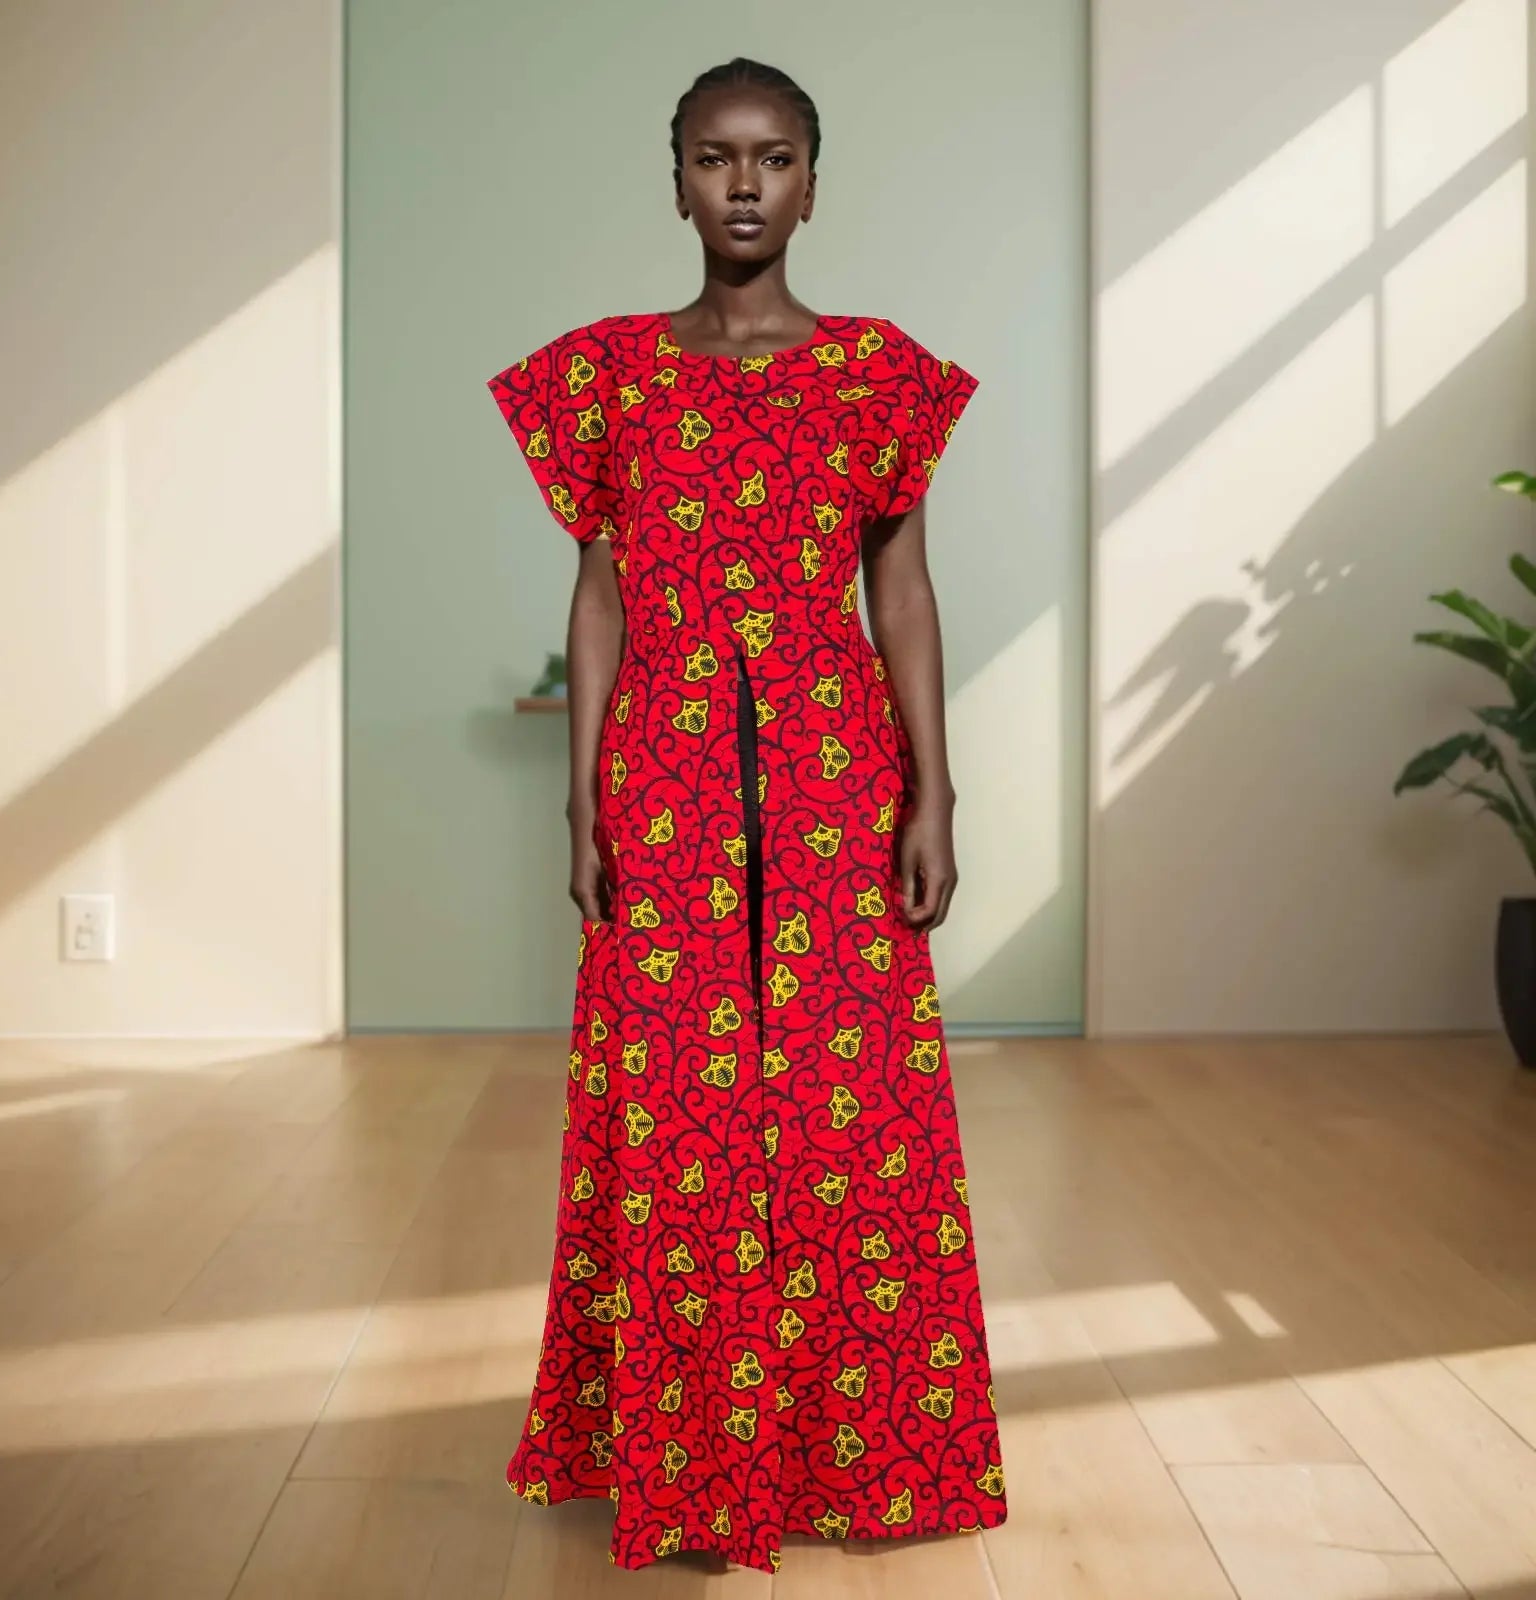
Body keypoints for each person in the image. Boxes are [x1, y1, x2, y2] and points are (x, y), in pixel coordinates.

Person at [485, 54, 1008, 1575]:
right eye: (715, 157)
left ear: (812, 183)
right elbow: (596, 593)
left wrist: (938, 786)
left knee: (862, 1128)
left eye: (773, 159)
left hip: (840, 777)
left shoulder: (878, 373)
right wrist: (582, 797)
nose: (743, 184)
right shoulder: (605, 375)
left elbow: (900, 590)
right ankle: (677, 1458)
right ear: (674, 180)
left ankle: (859, 1452)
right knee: (672, 1126)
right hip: (667, 775)